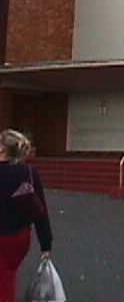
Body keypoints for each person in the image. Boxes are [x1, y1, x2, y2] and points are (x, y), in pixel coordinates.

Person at [0, 129, 53, 302]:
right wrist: (45, 243)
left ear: (2, 149)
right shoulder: (29, 173)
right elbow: (40, 210)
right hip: (19, 237)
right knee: (6, 276)